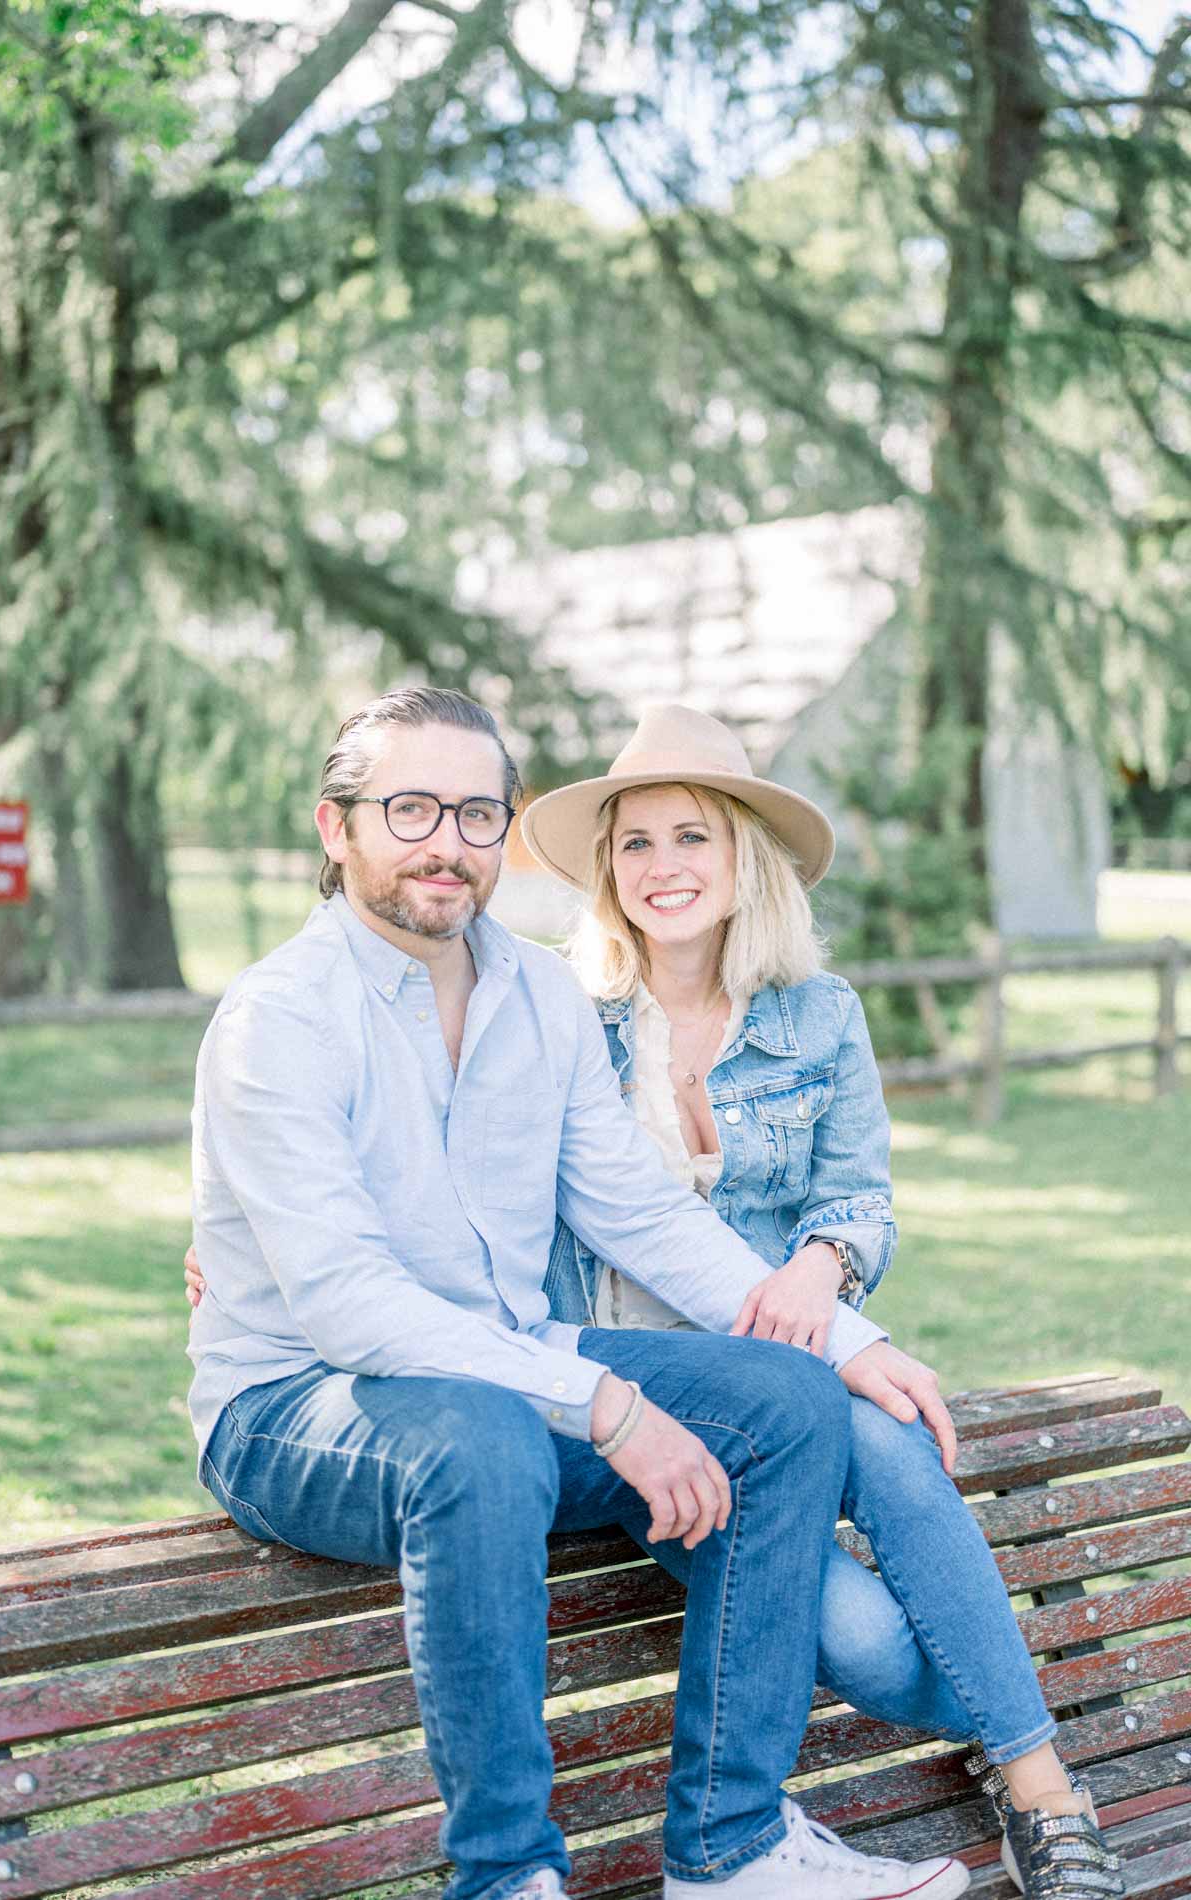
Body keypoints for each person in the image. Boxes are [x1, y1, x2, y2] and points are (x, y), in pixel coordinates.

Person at [185, 684, 976, 1900]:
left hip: (512, 1372)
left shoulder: (539, 998)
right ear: (334, 829)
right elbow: (348, 1306)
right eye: (409, 808)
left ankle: (733, 1849)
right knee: (487, 1438)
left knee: (783, 1398)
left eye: (475, 812)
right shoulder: (279, 1019)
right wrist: (603, 1402)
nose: (446, 841)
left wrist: (843, 1334)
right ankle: (506, 1876)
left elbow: (641, 1213)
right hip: (301, 1404)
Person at [517, 702, 1126, 1900]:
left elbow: (857, 1197)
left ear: (742, 854)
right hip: (648, 1402)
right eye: (634, 843)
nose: (662, 867)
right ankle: (1028, 1730)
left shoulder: (818, 1015)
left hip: (797, 1356)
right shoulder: (556, 1021)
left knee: (887, 1435)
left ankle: (1046, 1797)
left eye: (691, 836)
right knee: (872, 1648)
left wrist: (823, 1268)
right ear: (606, 871)